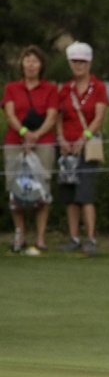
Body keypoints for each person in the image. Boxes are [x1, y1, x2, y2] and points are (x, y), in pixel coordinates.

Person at [2, 45, 59, 255]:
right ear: (22, 64)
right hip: (15, 141)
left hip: (43, 141)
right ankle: (20, 234)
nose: (31, 65)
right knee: (16, 189)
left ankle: (41, 237)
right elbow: (10, 114)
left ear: (41, 65)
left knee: (41, 188)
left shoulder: (50, 89)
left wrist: (36, 135)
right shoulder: (11, 88)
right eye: (27, 60)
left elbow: (52, 116)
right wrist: (25, 132)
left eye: (35, 61)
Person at [56, 42, 109, 255]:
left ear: (89, 64)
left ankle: (91, 238)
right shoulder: (65, 89)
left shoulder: (98, 88)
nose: (79, 66)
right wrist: (60, 138)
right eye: (75, 62)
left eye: (82, 62)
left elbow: (99, 116)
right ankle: (74, 237)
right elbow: (58, 116)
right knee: (69, 194)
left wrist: (83, 138)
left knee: (85, 194)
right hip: (66, 147)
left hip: (87, 146)